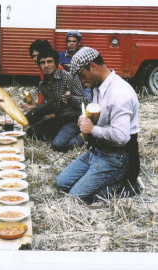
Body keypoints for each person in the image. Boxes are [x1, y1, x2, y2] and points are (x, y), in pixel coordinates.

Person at [56, 47, 140, 203]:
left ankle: (127, 183)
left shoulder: (120, 94)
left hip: (117, 155)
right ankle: (106, 179)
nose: (81, 82)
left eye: (82, 76)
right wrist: (86, 120)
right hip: (97, 151)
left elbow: (121, 137)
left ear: (93, 66)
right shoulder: (97, 87)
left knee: (76, 198)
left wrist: (93, 129)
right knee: (61, 183)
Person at [26, 48, 88, 152]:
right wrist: (36, 107)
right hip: (58, 118)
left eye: (49, 61)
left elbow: (85, 102)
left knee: (57, 146)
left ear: (56, 63)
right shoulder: (43, 84)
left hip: (73, 119)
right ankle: (59, 133)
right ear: (39, 65)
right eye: (42, 62)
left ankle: (82, 136)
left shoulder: (69, 78)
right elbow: (51, 105)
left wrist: (71, 98)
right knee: (31, 132)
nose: (46, 65)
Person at [25, 39, 65, 108]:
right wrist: (37, 106)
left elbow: (60, 96)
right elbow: (43, 91)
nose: (36, 58)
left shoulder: (55, 69)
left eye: (38, 55)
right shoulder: (42, 69)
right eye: (34, 56)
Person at [59, 31, 92, 102]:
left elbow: (90, 71)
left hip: (82, 87)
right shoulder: (60, 56)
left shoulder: (83, 56)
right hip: (66, 88)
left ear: (78, 43)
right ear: (67, 43)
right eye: (69, 41)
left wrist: (89, 82)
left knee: (87, 107)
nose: (71, 43)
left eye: (74, 41)